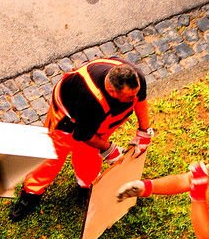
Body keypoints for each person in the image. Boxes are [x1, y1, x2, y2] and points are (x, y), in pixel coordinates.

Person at [9, 57, 153, 221]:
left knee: (90, 155)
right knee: (52, 157)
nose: (132, 99)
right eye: (129, 97)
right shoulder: (90, 100)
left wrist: (144, 132)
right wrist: (110, 150)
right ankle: (31, 193)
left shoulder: (135, 78)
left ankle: (87, 185)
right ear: (112, 91)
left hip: (98, 122)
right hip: (67, 121)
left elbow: (140, 99)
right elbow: (84, 135)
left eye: (134, 93)